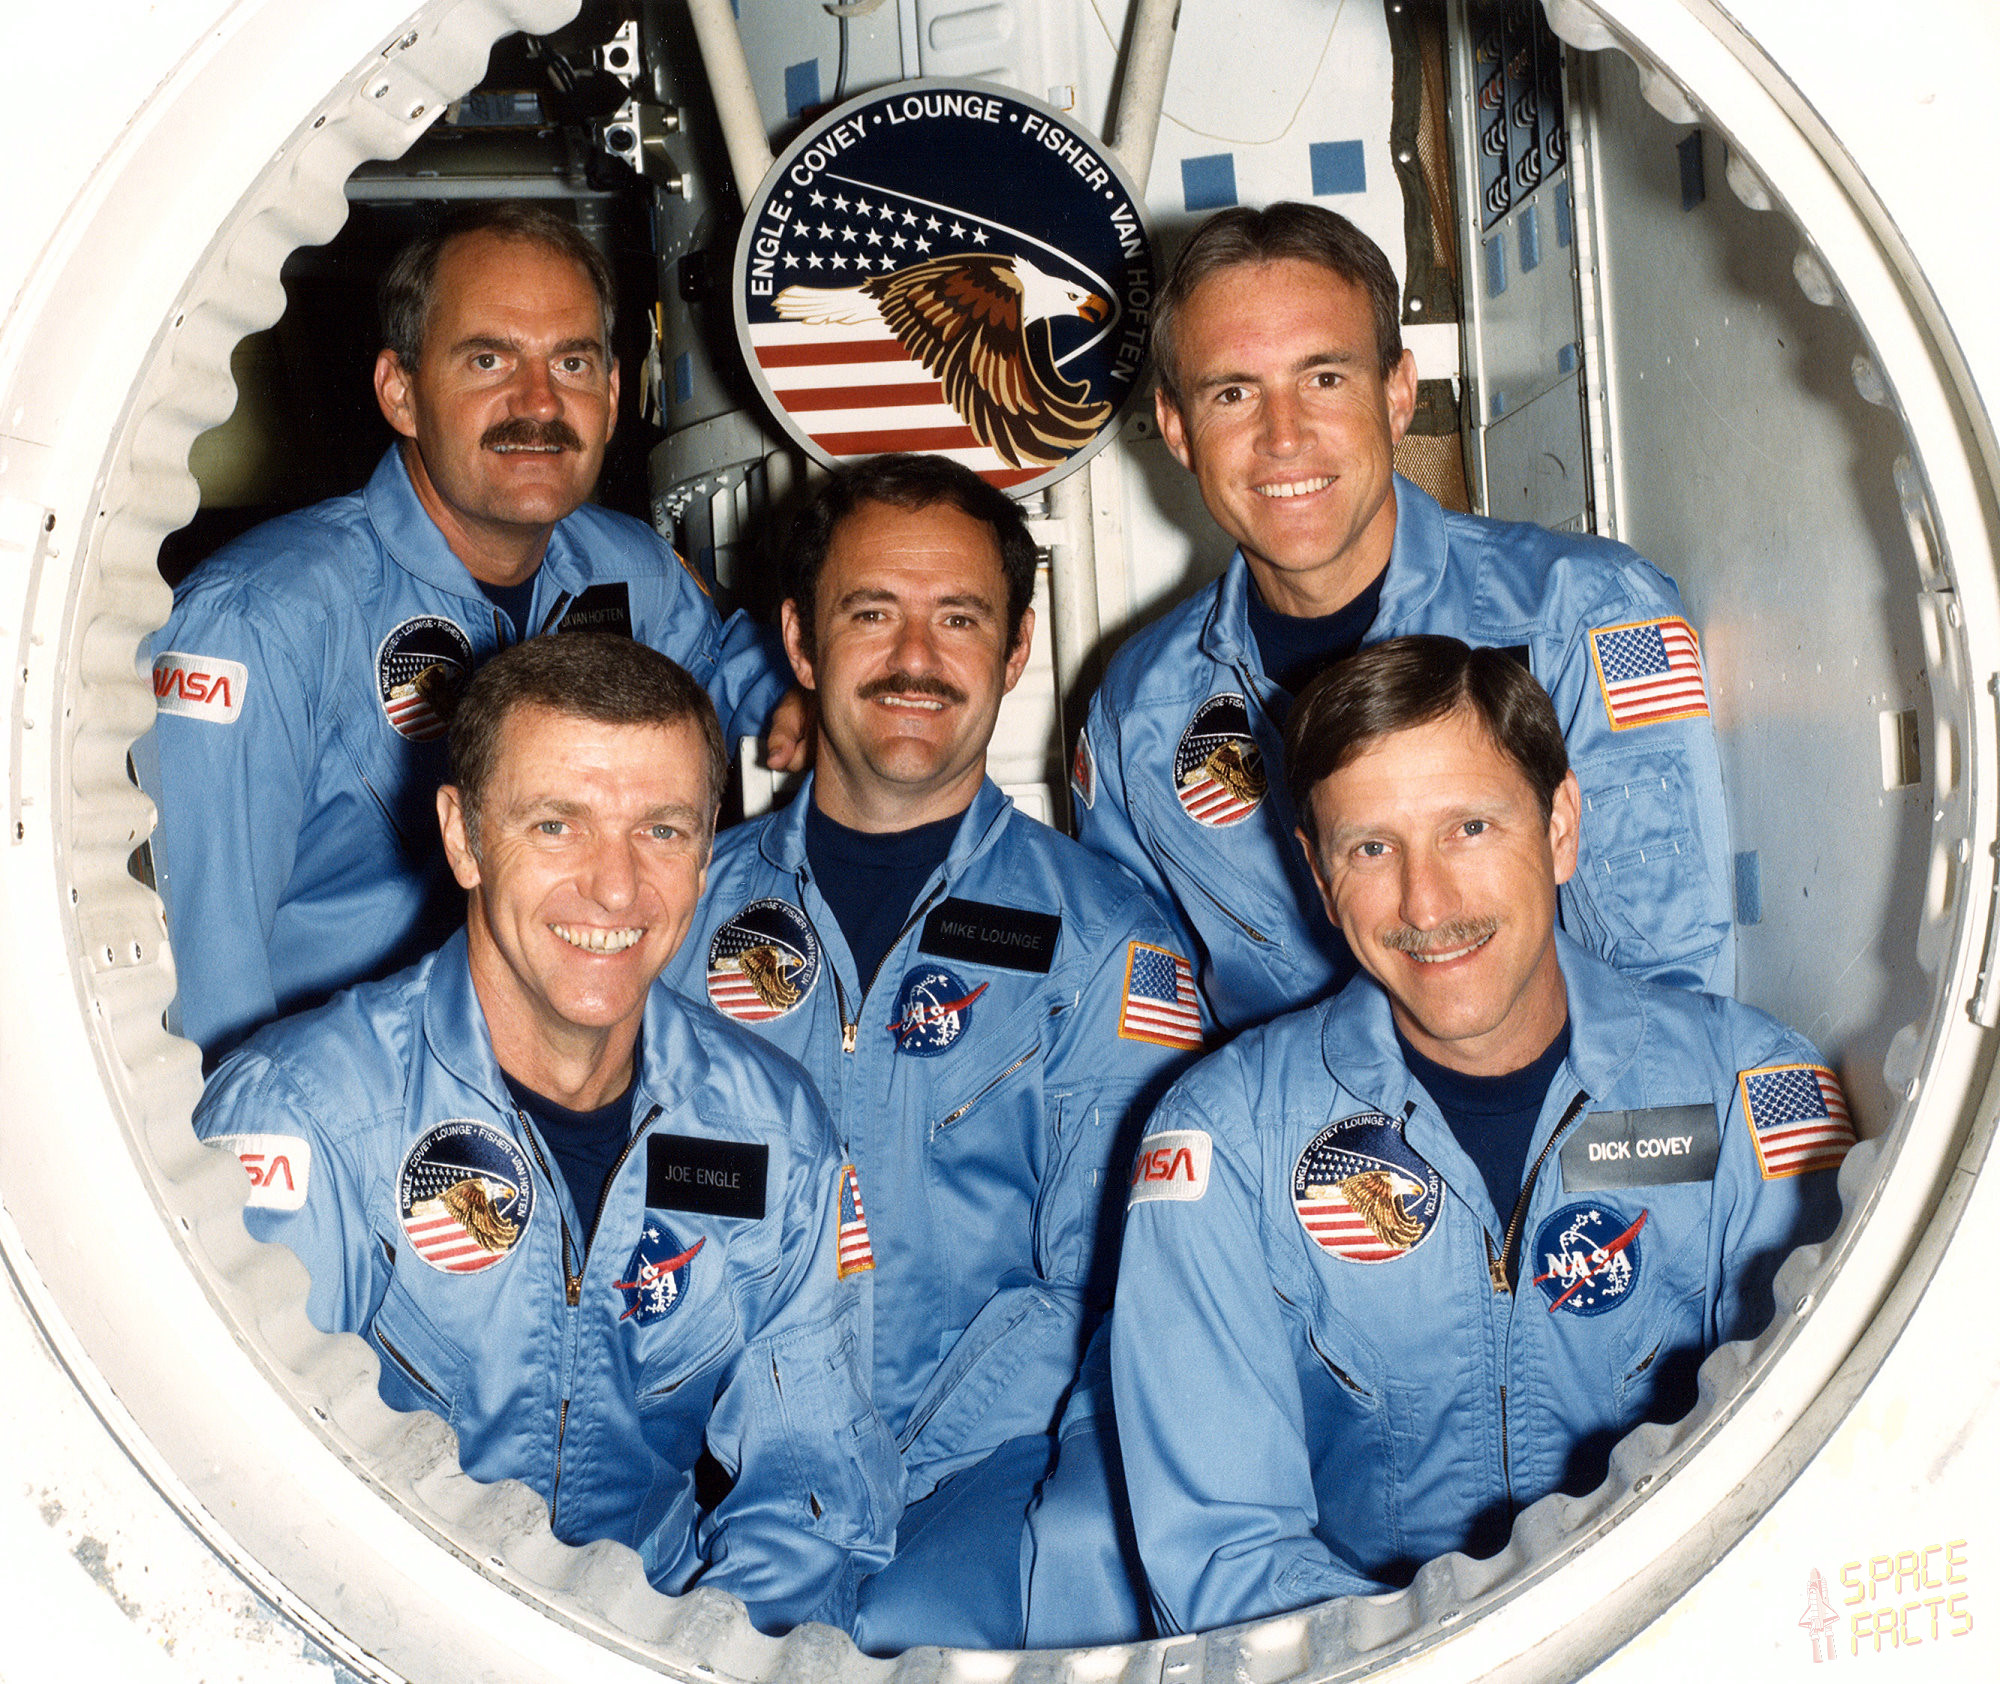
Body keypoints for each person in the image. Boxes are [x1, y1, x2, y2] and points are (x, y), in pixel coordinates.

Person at [1112, 637, 1854, 1633]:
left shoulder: (1749, 1093)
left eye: (1469, 827)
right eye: (1370, 849)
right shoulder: (1224, 1139)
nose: (1427, 903)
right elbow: (1223, 1557)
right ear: (1319, 879)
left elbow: (1815, 1467)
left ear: (1559, 828)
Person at [194, 636, 897, 1632]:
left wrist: (701, 1652)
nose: (615, 887)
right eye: (557, 825)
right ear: (464, 838)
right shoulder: (305, 1120)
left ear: (706, 856)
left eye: (661, 829)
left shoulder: (774, 1132)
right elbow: (245, 1507)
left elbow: (812, 1496)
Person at [659, 454, 1202, 1652]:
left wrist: (881, 1476)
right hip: (710, 1493)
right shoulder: (672, 919)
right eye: (871, 613)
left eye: (958, 617)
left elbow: (1116, 1294)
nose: (915, 657)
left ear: (1013, 652)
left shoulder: (1106, 948)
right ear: (799, 643)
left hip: (971, 1502)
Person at [145, 201, 796, 1062]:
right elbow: (207, 987)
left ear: (611, 397)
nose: (539, 402)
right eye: (489, 360)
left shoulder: (628, 570)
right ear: (401, 392)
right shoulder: (262, 620)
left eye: (572, 362)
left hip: (569, 1071)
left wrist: (802, 699)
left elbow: (735, 676)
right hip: (347, 1096)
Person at [1074, 202, 1734, 1036]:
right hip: (1277, 1119)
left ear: (1397, 394)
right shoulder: (1140, 711)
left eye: (1324, 379)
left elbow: (1666, 1000)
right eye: (1234, 393)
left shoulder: (1582, 618)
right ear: (1176, 428)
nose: (1283, 436)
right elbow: (1139, 1036)